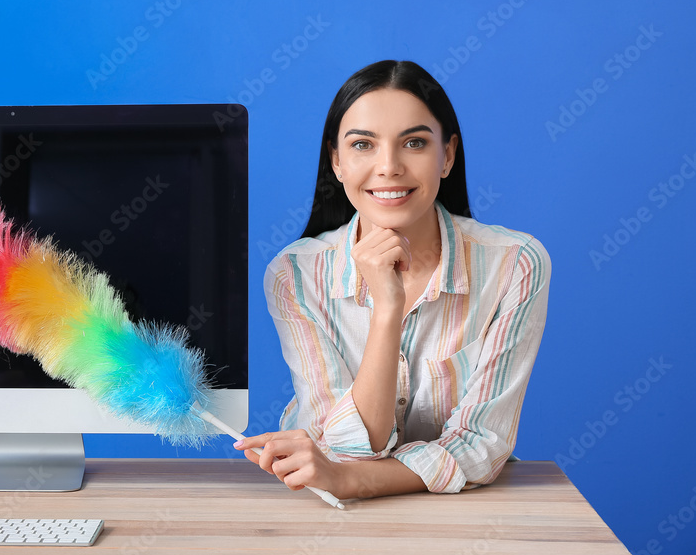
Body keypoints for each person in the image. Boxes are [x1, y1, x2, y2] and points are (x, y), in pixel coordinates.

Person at [235, 60, 551, 500]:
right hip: (321, 512)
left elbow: (481, 444)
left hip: (460, 515)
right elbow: (346, 446)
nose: (388, 167)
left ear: (448, 156)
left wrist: (353, 480)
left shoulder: (515, 264)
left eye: (414, 143)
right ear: (336, 161)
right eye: (363, 144)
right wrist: (387, 310)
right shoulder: (295, 274)